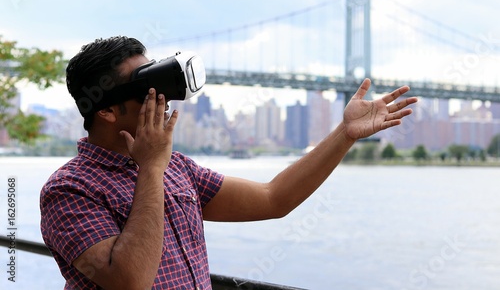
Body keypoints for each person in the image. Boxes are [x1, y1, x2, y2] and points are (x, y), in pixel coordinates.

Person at [40, 36, 417, 290]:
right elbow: (130, 280)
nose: (162, 97)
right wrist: (152, 169)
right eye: (144, 87)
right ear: (105, 110)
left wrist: (345, 133)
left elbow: (274, 198)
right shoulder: (69, 190)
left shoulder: (178, 167)